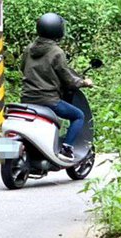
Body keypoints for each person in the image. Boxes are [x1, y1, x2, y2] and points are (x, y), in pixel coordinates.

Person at [20, 13, 94, 162]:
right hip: (48, 100)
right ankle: (67, 149)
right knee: (78, 115)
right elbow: (67, 78)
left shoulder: (29, 49)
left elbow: (23, 68)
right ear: (58, 30)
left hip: (27, 98)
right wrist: (84, 82)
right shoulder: (56, 52)